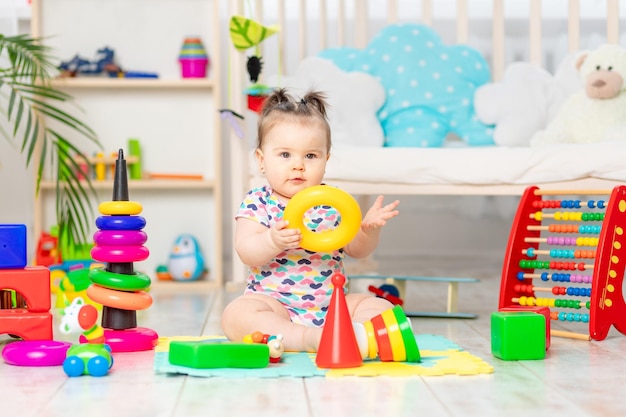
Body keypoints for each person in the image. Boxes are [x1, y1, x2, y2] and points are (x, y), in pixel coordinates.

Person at [221, 88, 400, 353]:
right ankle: (306, 338)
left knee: (381, 308)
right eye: (285, 155)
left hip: (333, 305)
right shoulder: (258, 201)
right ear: (261, 160)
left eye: (310, 156)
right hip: (276, 306)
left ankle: (352, 335)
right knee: (236, 314)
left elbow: (357, 250)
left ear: (325, 160)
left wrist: (367, 230)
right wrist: (271, 239)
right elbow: (247, 252)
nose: (298, 165)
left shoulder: (334, 202)